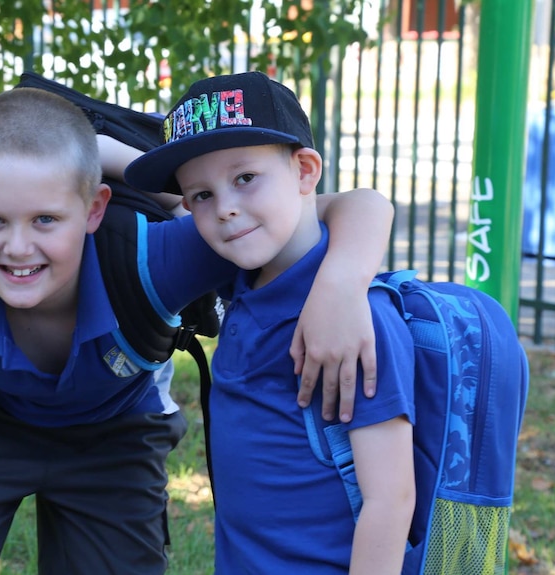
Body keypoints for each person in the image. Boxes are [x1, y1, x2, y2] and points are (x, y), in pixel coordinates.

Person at [0, 84, 394, 574]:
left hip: (116, 431)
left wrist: (342, 286)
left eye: (46, 220)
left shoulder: (159, 257)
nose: (18, 247)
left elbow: (353, 205)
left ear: (95, 209)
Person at [124, 71, 415, 574]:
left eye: (244, 179)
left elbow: (390, 502)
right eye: (202, 196)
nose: (226, 211)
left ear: (305, 172)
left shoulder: (354, 319)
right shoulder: (242, 280)